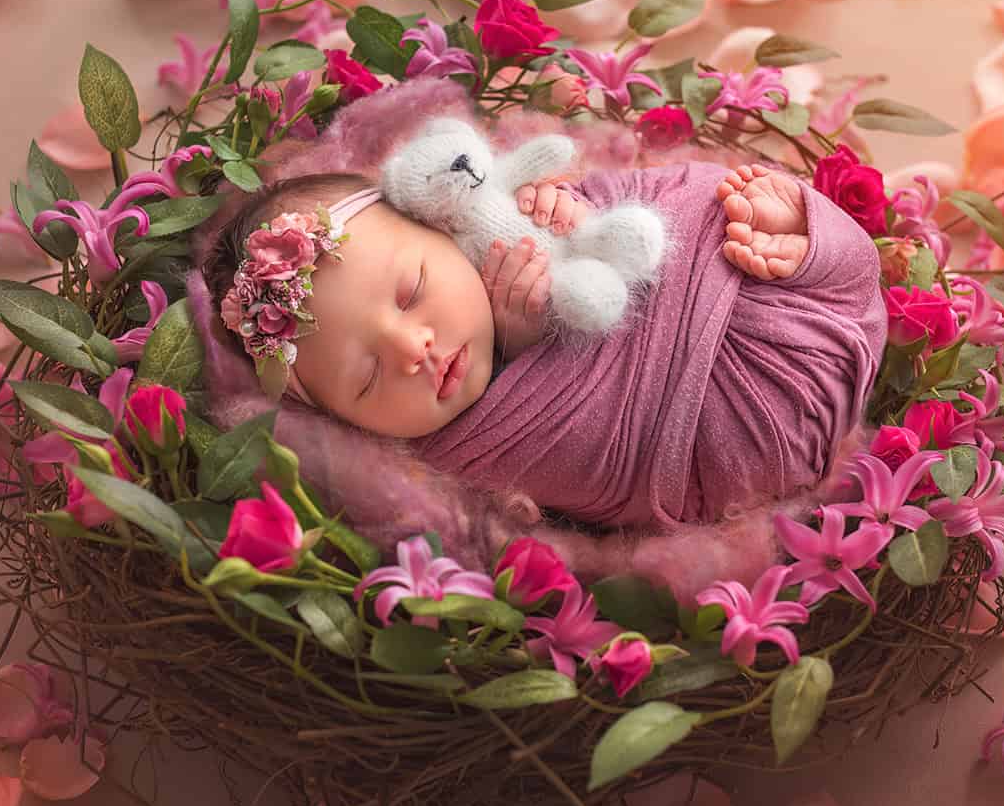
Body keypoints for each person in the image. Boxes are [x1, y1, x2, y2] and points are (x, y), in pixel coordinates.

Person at [199, 149, 885, 529]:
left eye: (411, 291)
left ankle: (806, 239)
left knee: (704, 206)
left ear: (440, 227)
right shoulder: (442, 462)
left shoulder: (498, 230)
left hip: (734, 287)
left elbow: (616, 221)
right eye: (366, 377)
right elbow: (555, 480)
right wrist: (527, 339)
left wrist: (568, 215)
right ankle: (817, 267)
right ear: (339, 421)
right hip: (708, 445)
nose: (415, 347)